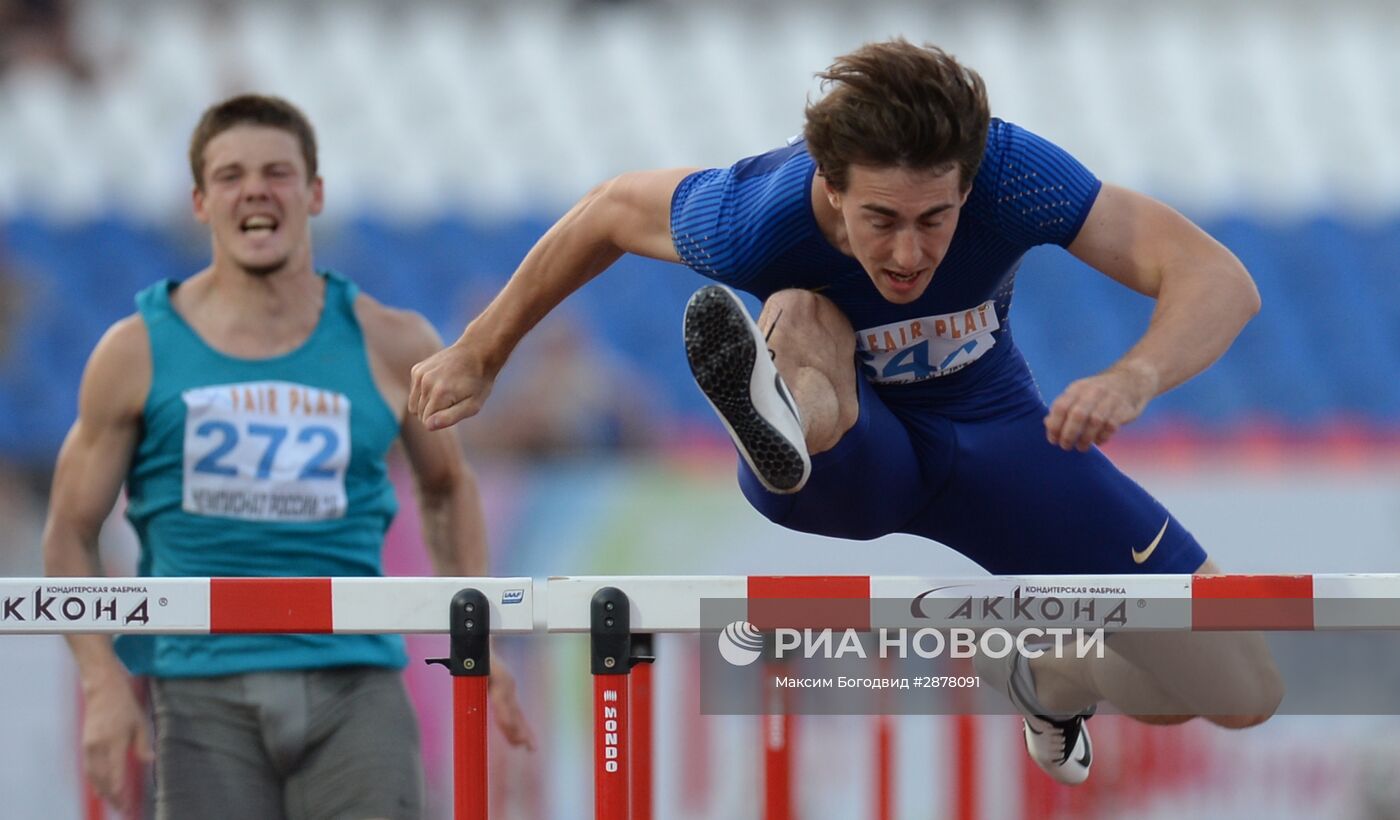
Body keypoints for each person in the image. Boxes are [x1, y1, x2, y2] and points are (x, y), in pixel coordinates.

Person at [408, 39, 1283, 784]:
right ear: (830, 184)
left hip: (999, 439)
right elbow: (604, 210)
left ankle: (1041, 678)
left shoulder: (1017, 177)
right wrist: (481, 351)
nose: (909, 253)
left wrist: (1133, 376)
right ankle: (783, 414)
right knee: (805, 308)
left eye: (935, 218)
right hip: (856, 460)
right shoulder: (754, 217)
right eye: (881, 219)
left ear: (970, 185)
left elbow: (1218, 280)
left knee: (1242, 691)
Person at [42, 94, 533, 819]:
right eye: (232, 175)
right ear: (202, 202)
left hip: (354, 686)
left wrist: (478, 630)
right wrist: (104, 686)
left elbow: (448, 486)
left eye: (277, 172)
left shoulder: (393, 342)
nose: (256, 191)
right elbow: (68, 533)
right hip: (201, 693)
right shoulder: (134, 352)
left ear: (315, 192)